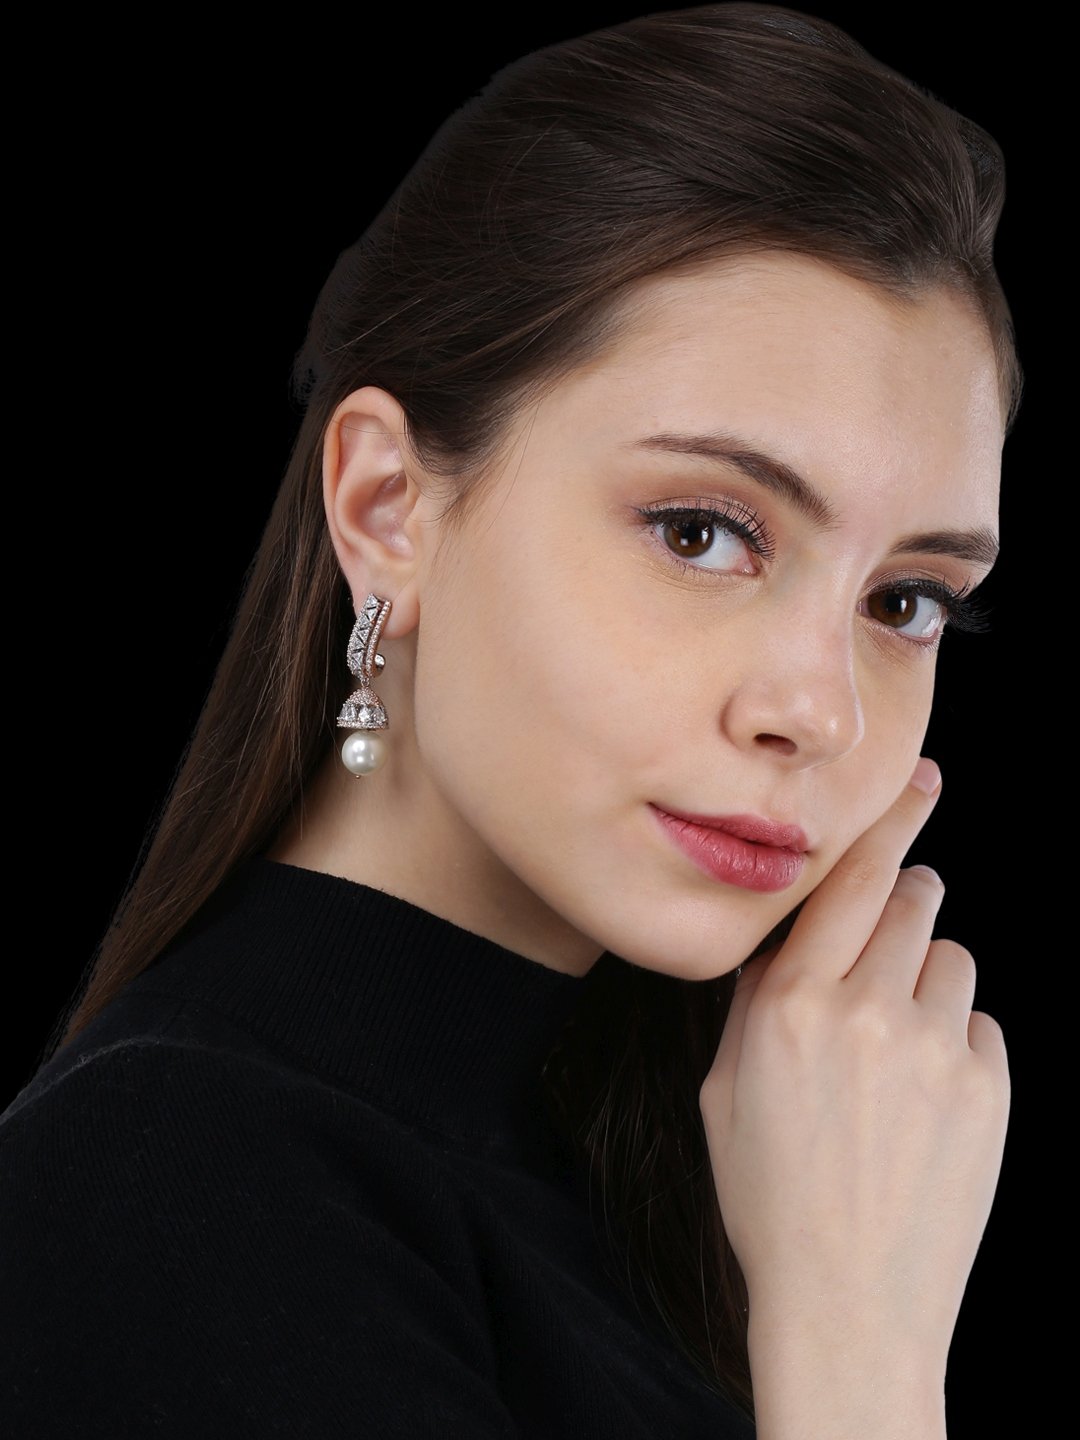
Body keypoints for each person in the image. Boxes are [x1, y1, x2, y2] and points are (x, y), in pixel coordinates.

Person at [2, 5, 1018, 1435]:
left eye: (906, 601)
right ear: (387, 509)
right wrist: (857, 1351)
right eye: (701, 531)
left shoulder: (728, 1175)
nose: (817, 710)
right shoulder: (180, 1179)